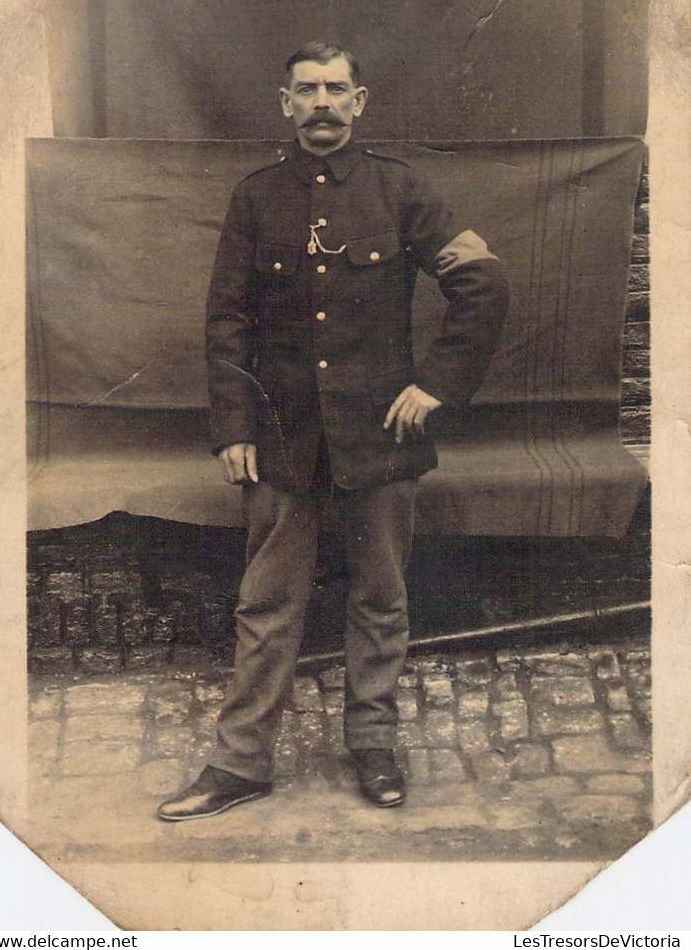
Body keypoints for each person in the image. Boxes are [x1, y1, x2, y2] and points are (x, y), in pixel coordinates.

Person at [157, 40, 509, 821]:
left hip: (378, 441)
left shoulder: (402, 191)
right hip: (282, 441)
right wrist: (232, 427)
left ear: (360, 101)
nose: (321, 102)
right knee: (266, 604)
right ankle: (240, 762)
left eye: (335, 89)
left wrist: (437, 386)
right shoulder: (257, 198)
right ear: (284, 103)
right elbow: (226, 320)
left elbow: (481, 282)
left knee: (380, 600)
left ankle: (373, 747)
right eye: (306, 90)